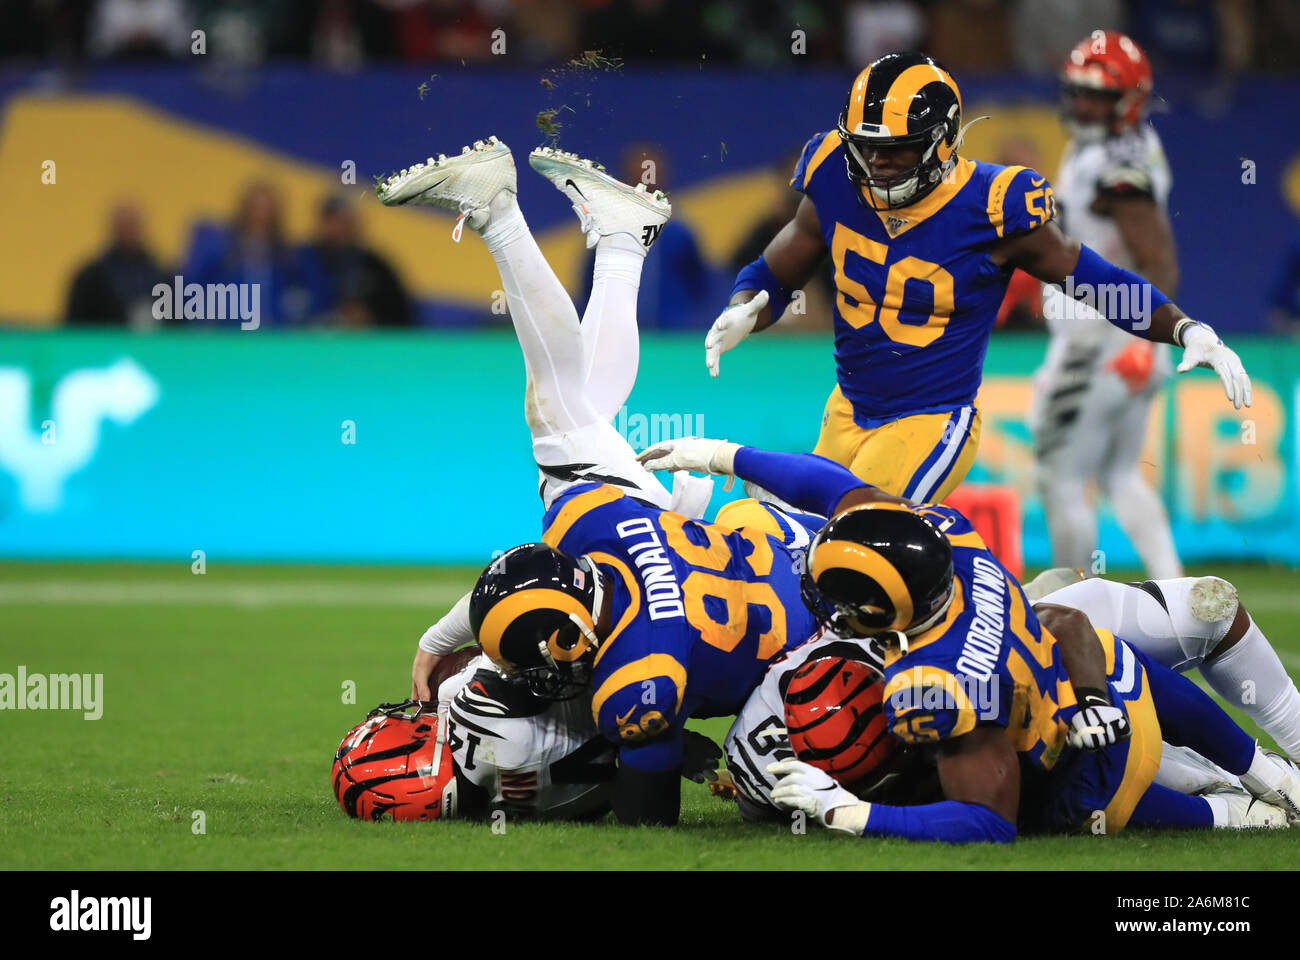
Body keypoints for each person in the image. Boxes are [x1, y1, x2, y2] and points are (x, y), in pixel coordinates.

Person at [374, 138, 816, 826]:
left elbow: (648, 820)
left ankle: (610, 239)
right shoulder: (592, 530)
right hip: (766, 598)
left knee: (582, 407)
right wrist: (438, 642)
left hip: (769, 579)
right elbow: (647, 833)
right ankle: (507, 214)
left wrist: (440, 643)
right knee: (558, 410)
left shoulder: (628, 652)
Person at [636, 437, 1300, 840]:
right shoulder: (950, 535)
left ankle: (1242, 808)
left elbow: (989, 823)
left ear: (881, 610)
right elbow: (834, 487)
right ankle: (1265, 770)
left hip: (1083, 777)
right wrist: (722, 455)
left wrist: (852, 814)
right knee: (1094, 634)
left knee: (1175, 805)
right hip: (1103, 682)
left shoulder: (930, 686)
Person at [706, 51, 1251, 505]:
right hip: (846, 407)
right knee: (794, 539)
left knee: (854, 534)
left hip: (930, 420)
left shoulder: (992, 206)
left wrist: (1183, 328)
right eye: (867, 146)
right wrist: (746, 303)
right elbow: (783, 264)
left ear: (942, 141)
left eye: (896, 148)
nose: (877, 162)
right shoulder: (831, 171)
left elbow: (1094, 279)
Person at [1034, 31, 1183, 578]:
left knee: (1062, 476)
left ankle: (1070, 606)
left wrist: (1137, 337)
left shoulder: (1114, 163)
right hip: (1121, 341)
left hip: (1102, 342)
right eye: (1077, 92)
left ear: (1130, 98)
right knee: (1121, 475)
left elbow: (1159, 257)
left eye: (1097, 95)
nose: (1082, 105)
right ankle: (1180, 594)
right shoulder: (1116, 147)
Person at [300, 195, 414, 327]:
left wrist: (370, 319)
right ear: (322, 223)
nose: (340, 229)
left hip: (363, 344)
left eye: (347, 223)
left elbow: (403, 320)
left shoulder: (376, 268)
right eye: (335, 221)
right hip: (302, 343)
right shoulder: (297, 262)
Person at [64, 203, 170, 328]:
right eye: (124, 226)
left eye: (132, 226)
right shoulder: (89, 279)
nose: (129, 231)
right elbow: (75, 327)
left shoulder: (161, 275)